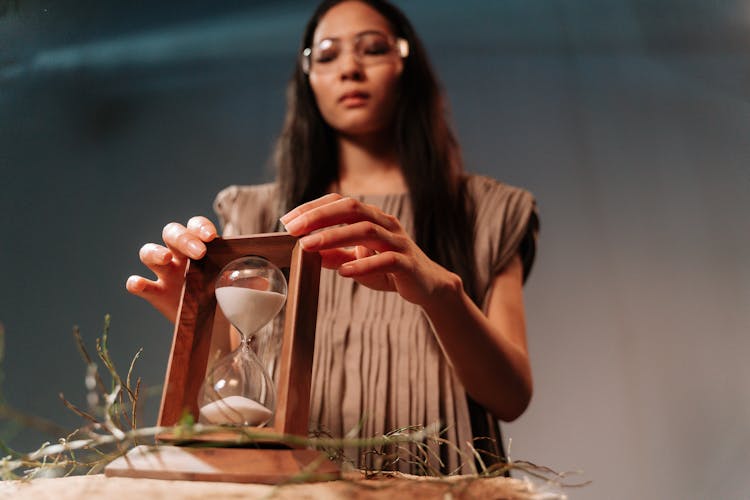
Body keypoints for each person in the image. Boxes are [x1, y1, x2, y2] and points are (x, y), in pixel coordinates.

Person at [126, 0, 539, 474]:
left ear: (407, 66)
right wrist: (201, 326)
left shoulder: (487, 211)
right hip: (299, 485)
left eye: (372, 49)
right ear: (308, 80)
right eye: (327, 55)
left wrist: (442, 293)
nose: (349, 69)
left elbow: (509, 398)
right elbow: (240, 385)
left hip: (441, 479)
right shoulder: (257, 211)